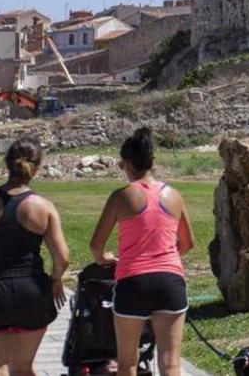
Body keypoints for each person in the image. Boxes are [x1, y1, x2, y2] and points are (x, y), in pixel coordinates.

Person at [90, 127, 194, 376]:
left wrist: (104, 259)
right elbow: (188, 243)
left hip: (133, 281)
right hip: (169, 279)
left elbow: (96, 245)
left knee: (127, 363)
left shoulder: (121, 196)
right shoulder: (174, 195)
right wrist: (165, 257)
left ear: (126, 164)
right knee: (170, 363)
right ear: (152, 162)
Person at [0, 139, 69, 376]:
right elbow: (62, 257)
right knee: (23, 368)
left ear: (7, 163)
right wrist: (55, 280)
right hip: (31, 292)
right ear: (37, 166)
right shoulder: (43, 207)